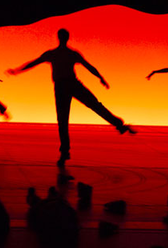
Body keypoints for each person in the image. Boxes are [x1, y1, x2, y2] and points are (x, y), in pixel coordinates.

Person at [8, 28, 135, 167]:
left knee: (64, 118)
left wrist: (17, 71)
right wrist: (100, 78)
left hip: (64, 86)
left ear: (59, 37)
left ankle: (66, 151)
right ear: (67, 38)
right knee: (93, 105)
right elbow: (89, 66)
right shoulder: (69, 54)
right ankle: (118, 125)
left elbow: (33, 63)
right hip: (71, 84)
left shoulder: (54, 54)